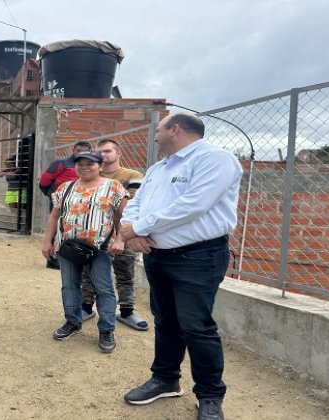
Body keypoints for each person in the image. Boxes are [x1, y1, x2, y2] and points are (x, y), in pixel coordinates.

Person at [119, 114, 242, 420]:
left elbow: (193, 204)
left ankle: (210, 395)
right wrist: (132, 232)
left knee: (197, 326)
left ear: (175, 129)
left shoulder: (215, 159)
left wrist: (140, 227)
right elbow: (136, 205)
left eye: (158, 131)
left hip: (197, 258)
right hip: (157, 255)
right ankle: (165, 379)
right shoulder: (158, 168)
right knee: (166, 321)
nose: (155, 136)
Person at [41, 150, 128, 353]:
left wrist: (120, 239)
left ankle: (106, 330)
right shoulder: (65, 187)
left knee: (103, 289)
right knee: (69, 286)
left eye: (90, 163)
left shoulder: (113, 186)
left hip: (99, 249)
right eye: (80, 164)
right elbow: (54, 216)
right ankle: (73, 321)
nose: (85, 167)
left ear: (100, 166)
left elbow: (124, 215)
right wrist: (47, 241)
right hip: (68, 248)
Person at [81, 139, 149, 331]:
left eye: (108, 150)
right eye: (99, 151)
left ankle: (127, 311)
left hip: (124, 232)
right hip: (95, 233)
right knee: (88, 272)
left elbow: (133, 203)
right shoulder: (92, 174)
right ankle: (86, 307)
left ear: (118, 153)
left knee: (125, 272)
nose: (103, 154)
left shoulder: (132, 175)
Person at [39, 140, 92, 268]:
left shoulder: (91, 166)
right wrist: (52, 194)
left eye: (85, 151)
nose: (81, 153)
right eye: (79, 150)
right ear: (73, 151)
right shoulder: (61, 163)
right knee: (57, 228)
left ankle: (74, 256)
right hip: (61, 202)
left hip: (82, 203)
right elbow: (44, 181)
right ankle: (52, 259)